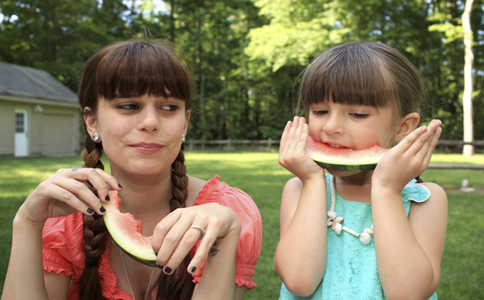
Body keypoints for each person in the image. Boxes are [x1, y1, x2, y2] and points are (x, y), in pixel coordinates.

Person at [2, 39, 262, 300]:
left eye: (169, 107)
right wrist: (27, 223)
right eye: (128, 106)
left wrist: (225, 238)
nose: (150, 122)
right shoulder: (62, 220)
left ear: (185, 122)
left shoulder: (228, 213)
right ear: (92, 122)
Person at [276, 41, 447, 299]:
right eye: (320, 111)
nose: (331, 126)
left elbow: (409, 294)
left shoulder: (425, 200)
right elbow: (300, 281)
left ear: (403, 126)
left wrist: (388, 190)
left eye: (357, 114)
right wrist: (312, 180)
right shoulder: (299, 189)